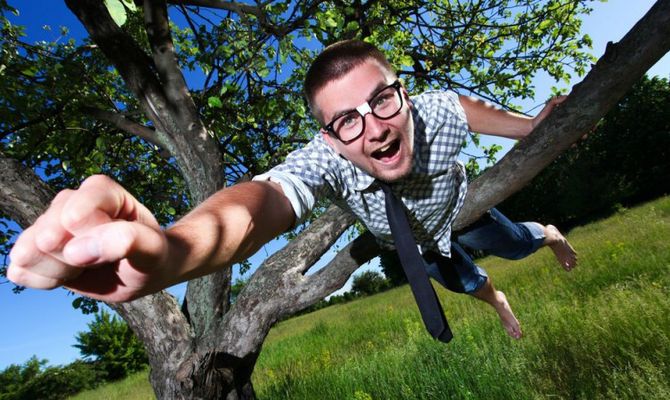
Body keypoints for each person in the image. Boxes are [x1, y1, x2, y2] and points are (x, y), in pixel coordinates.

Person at [6, 40, 576, 340]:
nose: (374, 127)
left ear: (401, 91)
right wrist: (177, 251)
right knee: (467, 285)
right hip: (416, 246)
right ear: (328, 135)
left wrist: (536, 124)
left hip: (464, 211)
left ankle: (549, 233)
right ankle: (498, 301)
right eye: (346, 120)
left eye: (381, 99)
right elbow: (260, 204)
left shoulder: (436, 111)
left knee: (518, 244)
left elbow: (497, 119)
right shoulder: (323, 158)